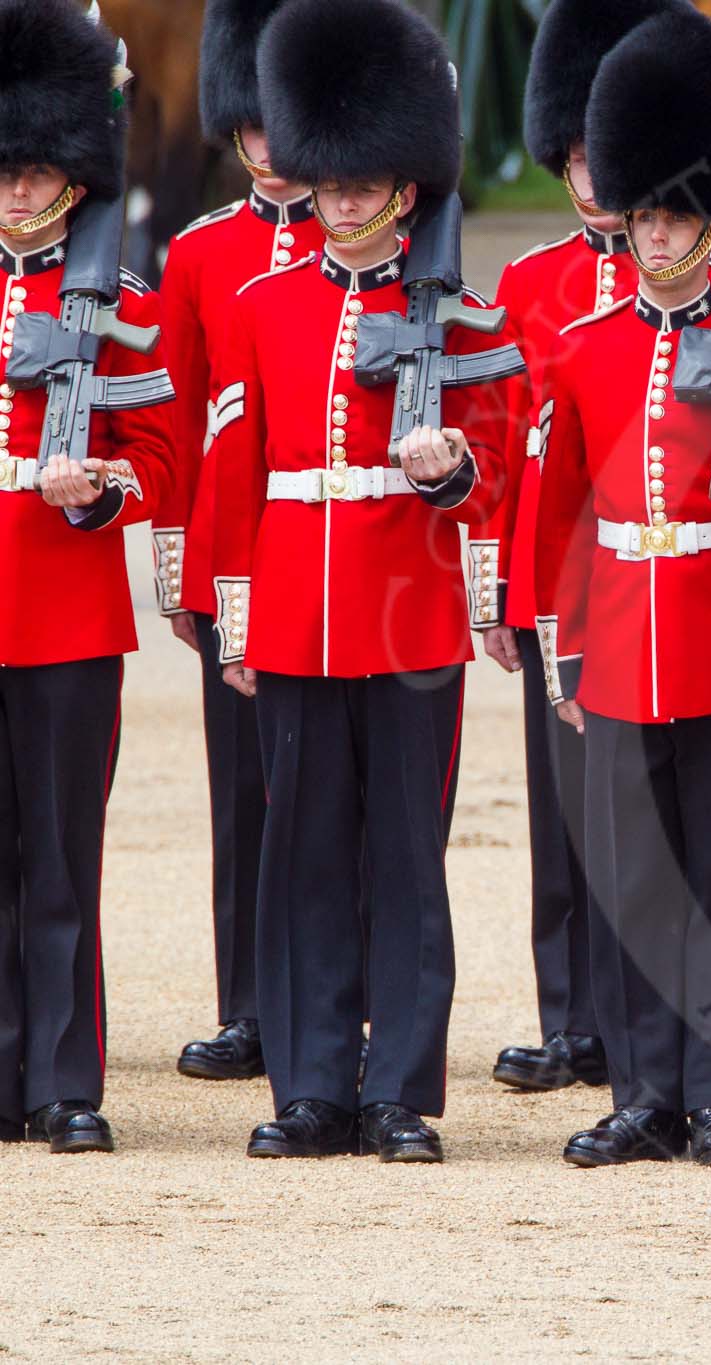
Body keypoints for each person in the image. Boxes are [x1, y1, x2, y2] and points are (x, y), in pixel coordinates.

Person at [208, 0, 514, 1162]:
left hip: (408, 612)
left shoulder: (460, 313)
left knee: (403, 858)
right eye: (326, 179)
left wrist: (449, 475)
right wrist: (236, 611)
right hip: (292, 613)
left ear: (404, 187)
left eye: (359, 181)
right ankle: (310, 1084)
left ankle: (398, 1091)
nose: (337, 199)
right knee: (302, 856)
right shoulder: (260, 305)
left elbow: (494, 472)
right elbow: (239, 470)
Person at [530, 2, 711, 1172]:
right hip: (624, 635)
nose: (652, 232)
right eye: (641, 213)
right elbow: (565, 518)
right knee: (636, 877)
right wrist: (566, 644)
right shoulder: (587, 346)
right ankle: (645, 1089)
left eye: (673, 214)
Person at [477, 0, 668, 1099]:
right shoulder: (528, 285)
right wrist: (505, 593)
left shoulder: (710, 284)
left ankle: (648, 1022)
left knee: (649, 818)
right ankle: (573, 1019)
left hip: (660, 575)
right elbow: (509, 459)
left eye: (613, 148)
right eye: (580, 150)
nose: (594, 173)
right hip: (562, 584)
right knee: (561, 814)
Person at [0, 0, 177, 1154]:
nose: (16, 192)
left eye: (36, 171)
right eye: (3, 171)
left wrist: (99, 490)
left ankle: (65, 1078)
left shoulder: (122, 307)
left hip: (67, 609)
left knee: (62, 856)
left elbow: (160, 461)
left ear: (76, 177)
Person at [162, 0, 317, 1085]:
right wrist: (180, 566)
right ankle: (250, 1005)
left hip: (325, 553)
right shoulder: (197, 255)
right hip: (231, 555)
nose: (265, 143)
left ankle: (329, 1000)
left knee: (331, 799)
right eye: (249, 123)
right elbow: (173, 423)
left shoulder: (367, 249)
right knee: (241, 796)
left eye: (282, 119)